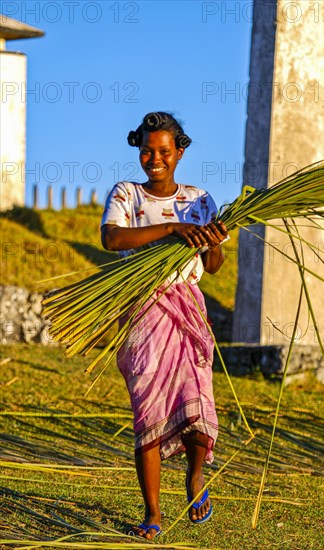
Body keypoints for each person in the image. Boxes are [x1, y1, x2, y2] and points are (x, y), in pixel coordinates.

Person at [100, 112, 228, 540]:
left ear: (180, 152)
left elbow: (212, 267)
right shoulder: (128, 194)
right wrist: (172, 227)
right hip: (141, 311)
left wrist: (211, 241)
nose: (155, 159)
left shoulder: (199, 198)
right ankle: (152, 512)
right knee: (148, 409)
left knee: (196, 400)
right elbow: (112, 239)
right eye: (147, 151)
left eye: (164, 152)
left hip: (187, 310)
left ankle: (195, 479)